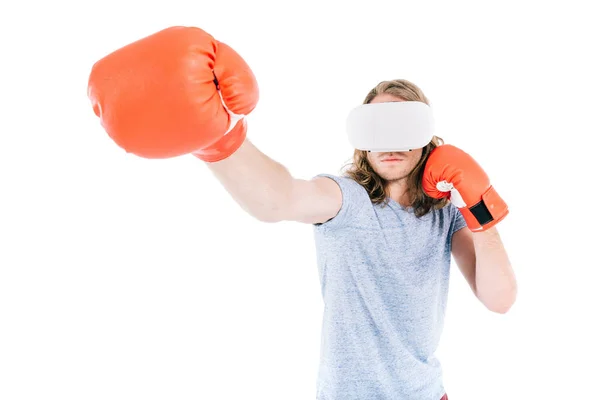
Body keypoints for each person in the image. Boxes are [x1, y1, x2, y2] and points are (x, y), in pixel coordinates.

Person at [88, 26, 518, 400]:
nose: (391, 142)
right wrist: (218, 140)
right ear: (362, 139)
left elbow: (500, 300)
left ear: (426, 137)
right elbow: (279, 198)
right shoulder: (347, 200)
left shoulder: (446, 216)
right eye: (378, 127)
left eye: (404, 127)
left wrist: (477, 204)